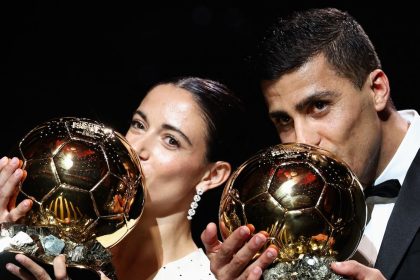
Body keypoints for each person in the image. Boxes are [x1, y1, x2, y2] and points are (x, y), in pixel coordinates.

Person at [201, 7, 420, 280]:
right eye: (283, 120)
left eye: (319, 106)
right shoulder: (284, 221)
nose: (302, 141)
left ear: (377, 90)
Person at [0, 76, 249, 279]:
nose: (138, 148)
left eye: (171, 141)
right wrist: (5, 238)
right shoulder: (61, 243)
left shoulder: (205, 277)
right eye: (139, 125)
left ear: (212, 176)